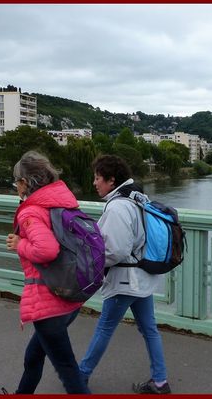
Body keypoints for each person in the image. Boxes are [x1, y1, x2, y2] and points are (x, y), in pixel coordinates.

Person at [79, 155, 171, 394]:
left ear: (111, 180)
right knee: (149, 329)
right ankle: (160, 381)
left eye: (98, 178)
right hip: (142, 276)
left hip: (124, 280)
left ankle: (80, 376)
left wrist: (92, 262)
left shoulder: (118, 206)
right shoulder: (138, 197)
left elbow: (115, 250)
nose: (94, 183)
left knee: (104, 328)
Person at [5, 150, 90, 394]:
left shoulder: (32, 211)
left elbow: (47, 250)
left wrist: (19, 244)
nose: (16, 188)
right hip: (68, 296)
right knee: (33, 356)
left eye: (16, 183)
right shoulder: (62, 203)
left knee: (68, 370)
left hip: (48, 302)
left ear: (24, 183)